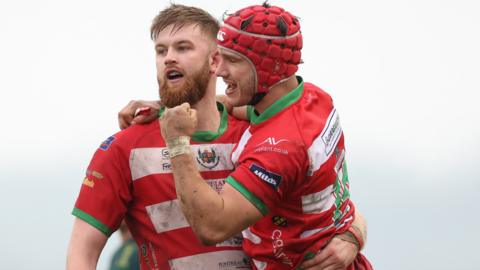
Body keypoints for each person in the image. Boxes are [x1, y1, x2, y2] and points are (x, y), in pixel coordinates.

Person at [67, 4, 364, 270]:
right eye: (161, 50)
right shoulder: (123, 148)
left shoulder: (261, 137)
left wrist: (353, 235)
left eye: (183, 48)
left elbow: (322, 200)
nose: (169, 58)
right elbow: (81, 254)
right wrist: (163, 111)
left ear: (214, 60)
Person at [158, 2, 373, 270]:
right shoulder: (312, 96)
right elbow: (237, 107)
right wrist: (161, 106)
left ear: (267, 71)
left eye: (233, 60)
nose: (219, 70)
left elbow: (212, 227)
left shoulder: (280, 149)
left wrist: (177, 143)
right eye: (220, 56)